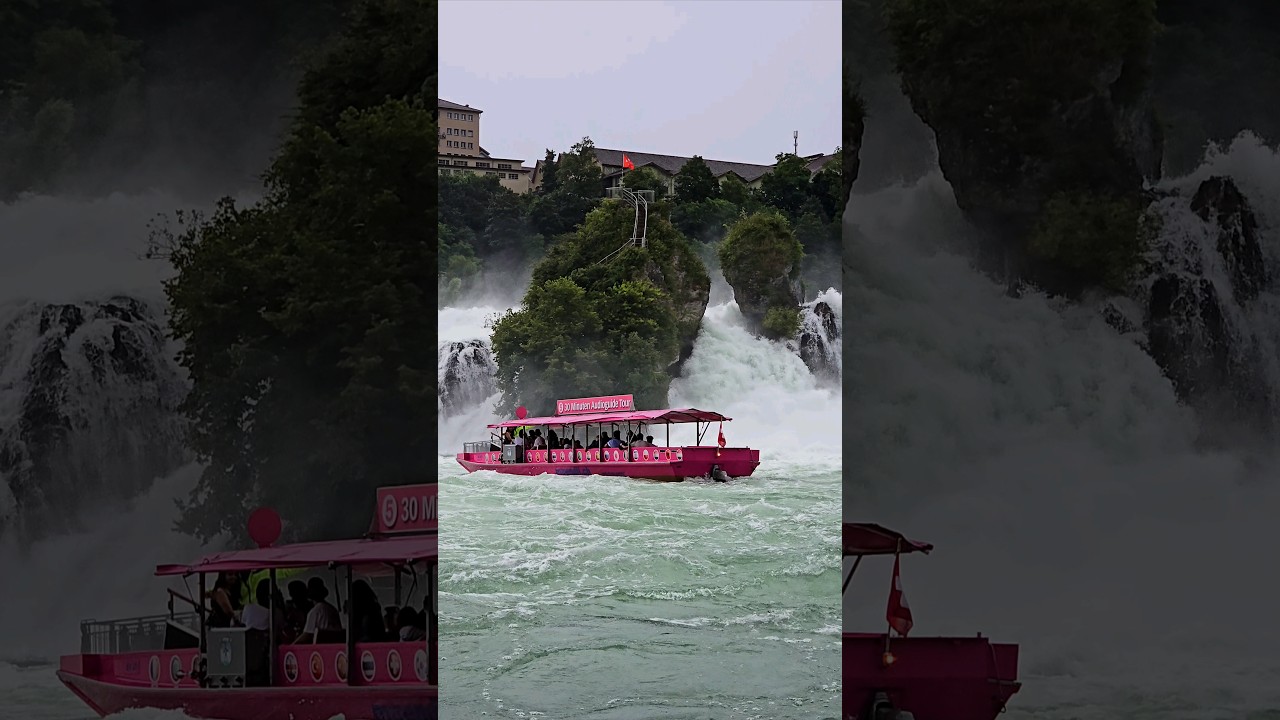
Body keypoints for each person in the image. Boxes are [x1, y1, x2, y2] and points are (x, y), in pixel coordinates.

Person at [292, 577, 342, 644]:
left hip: (319, 649)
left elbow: (307, 635)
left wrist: (291, 646)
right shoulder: (332, 609)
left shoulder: (315, 611)